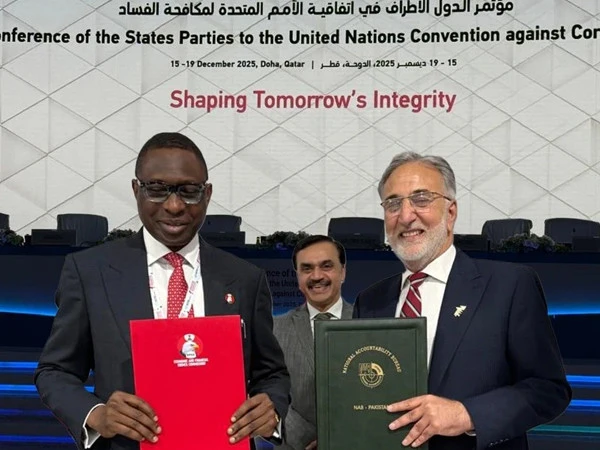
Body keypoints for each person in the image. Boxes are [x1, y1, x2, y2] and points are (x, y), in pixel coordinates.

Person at [34, 132, 290, 450]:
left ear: (207, 194)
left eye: (189, 191)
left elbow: (272, 374)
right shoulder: (90, 272)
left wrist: (271, 410)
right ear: (136, 189)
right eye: (157, 190)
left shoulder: (245, 278)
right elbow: (54, 371)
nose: (174, 206)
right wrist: (96, 414)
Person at [353, 152, 571, 450]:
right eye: (393, 204)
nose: (405, 216)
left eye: (421, 199)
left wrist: (467, 415)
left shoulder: (509, 286)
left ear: (451, 212)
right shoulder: (370, 301)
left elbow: (548, 389)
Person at [273, 235, 353, 450]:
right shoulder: (274, 329)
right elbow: (264, 392)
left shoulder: (370, 323)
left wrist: (342, 438)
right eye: (307, 269)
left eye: (326, 266)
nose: (317, 276)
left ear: (343, 272)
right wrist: (305, 437)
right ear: (298, 276)